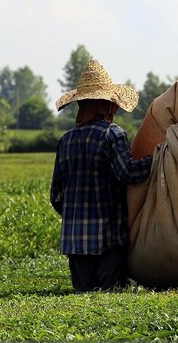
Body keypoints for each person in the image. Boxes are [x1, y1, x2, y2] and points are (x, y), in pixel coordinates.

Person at [49, 60, 152, 292]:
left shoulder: (65, 141)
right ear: (106, 106)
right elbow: (126, 173)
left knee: (83, 295)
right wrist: (158, 158)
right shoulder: (112, 135)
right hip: (109, 239)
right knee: (110, 294)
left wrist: (74, 218)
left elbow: (56, 195)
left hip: (75, 241)